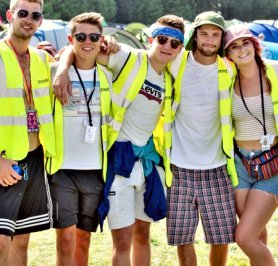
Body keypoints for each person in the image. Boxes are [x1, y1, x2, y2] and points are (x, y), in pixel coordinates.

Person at [53, 14, 185, 266]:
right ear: (150, 40)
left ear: (180, 49)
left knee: (143, 235)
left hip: (147, 161)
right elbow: (82, 50)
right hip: (119, 161)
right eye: (162, 39)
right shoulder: (128, 58)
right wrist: (61, 69)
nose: (167, 46)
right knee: (123, 240)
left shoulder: (170, 78)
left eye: (175, 43)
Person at [163, 11, 237, 266]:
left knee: (221, 237)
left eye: (215, 35)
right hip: (179, 168)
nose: (209, 40)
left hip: (217, 166)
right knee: (183, 237)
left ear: (222, 38)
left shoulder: (229, 68)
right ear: (194, 36)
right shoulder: (176, 62)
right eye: (204, 34)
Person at [46, 12, 113, 266]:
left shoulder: (108, 75)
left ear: (101, 40)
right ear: (70, 38)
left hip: (96, 170)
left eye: (94, 36)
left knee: (84, 241)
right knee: (65, 240)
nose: (88, 41)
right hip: (63, 169)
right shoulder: (55, 71)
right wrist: (63, 66)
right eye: (81, 36)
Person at [223, 24, 278, 265]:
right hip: (240, 163)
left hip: (271, 163)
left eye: (245, 43)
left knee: (244, 235)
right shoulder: (227, 81)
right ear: (228, 54)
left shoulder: (277, 72)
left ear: (254, 45)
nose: (241, 49)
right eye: (234, 46)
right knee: (256, 233)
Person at [0, 0, 55, 265]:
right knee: (1, 240)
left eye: (35, 15)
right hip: (4, 159)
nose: (28, 19)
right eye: (22, 13)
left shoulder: (41, 59)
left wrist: (65, 66)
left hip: (34, 157)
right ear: (10, 15)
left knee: (21, 239)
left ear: (41, 21)